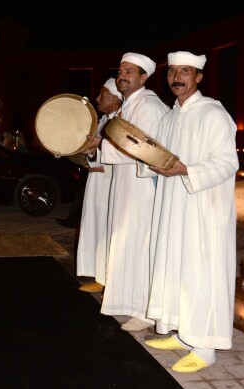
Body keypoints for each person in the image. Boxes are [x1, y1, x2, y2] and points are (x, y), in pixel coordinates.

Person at [142, 51, 239, 372]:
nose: (177, 77)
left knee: (202, 273)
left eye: (185, 71)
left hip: (203, 210)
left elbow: (228, 163)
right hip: (174, 208)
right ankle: (185, 335)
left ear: (198, 77)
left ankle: (205, 346)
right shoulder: (169, 118)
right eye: (172, 71)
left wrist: (188, 170)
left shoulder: (213, 113)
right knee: (177, 269)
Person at [99, 52, 169, 331]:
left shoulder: (148, 106)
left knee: (142, 246)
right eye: (121, 70)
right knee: (127, 244)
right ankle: (130, 302)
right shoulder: (128, 106)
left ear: (144, 77)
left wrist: (97, 146)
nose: (123, 75)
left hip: (144, 188)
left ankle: (146, 311)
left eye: (130, 71)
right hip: (128, 186)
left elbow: (142, 151)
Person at [75, 78, 122, 292]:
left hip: (111, 183)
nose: (97, 98)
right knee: (96, 226)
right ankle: (100, 276)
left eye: (103, 95)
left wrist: (99, 160)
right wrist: (90, 153)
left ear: (116, 99)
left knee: (106, 229)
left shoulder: (121, 121)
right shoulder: (103, 120)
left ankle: (110, 280)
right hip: (97, 183)